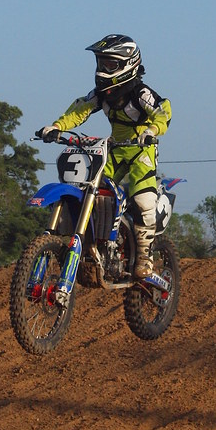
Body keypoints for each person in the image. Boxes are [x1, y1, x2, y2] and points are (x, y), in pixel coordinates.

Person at [39, 34, 172, 280]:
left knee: (143, 200)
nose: (103, 70)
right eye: (101, 63)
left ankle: (144, 256)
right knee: (91, 189)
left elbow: (163, 110)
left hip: (140, 150)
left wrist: (152, 130)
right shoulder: (102, 93)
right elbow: (80, 110)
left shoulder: (140, 93)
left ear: (127, 64)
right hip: (113, 150)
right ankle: (94, 243)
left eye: (110, 65)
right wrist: (57, 126)